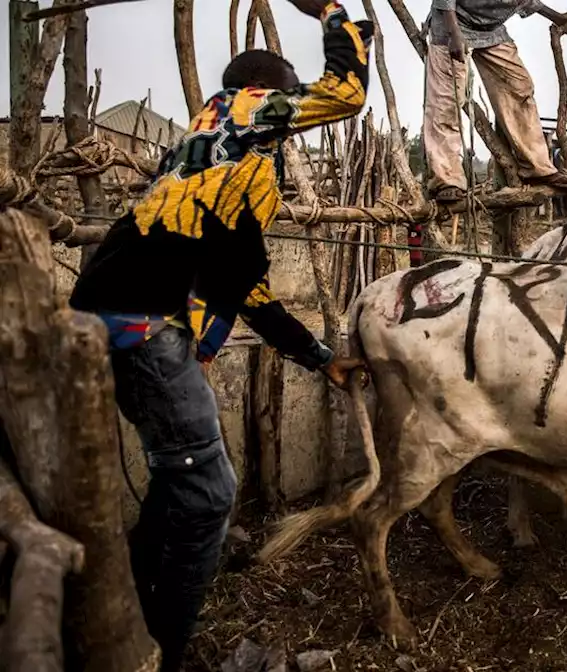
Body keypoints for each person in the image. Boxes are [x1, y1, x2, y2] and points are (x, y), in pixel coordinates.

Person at [68, 1, 371, 668]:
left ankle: (131, 622)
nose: (291, 112)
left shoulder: (213, 154)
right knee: (209, 498)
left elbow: (244, 285)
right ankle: (162, 654)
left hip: (122, 313)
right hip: (145, 324)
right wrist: (334, 12)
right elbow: (347, 91)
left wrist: (321, 359)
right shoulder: (250, 112)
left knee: (178, 485)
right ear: (265, 92)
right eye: (288, 98)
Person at [422, 0, 567, 203]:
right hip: (451, 24)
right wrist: (453, 34)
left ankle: (537, 167)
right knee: (445, 102)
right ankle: (447, 180)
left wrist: (557, 17)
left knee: (519, 89)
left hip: (492, 31)